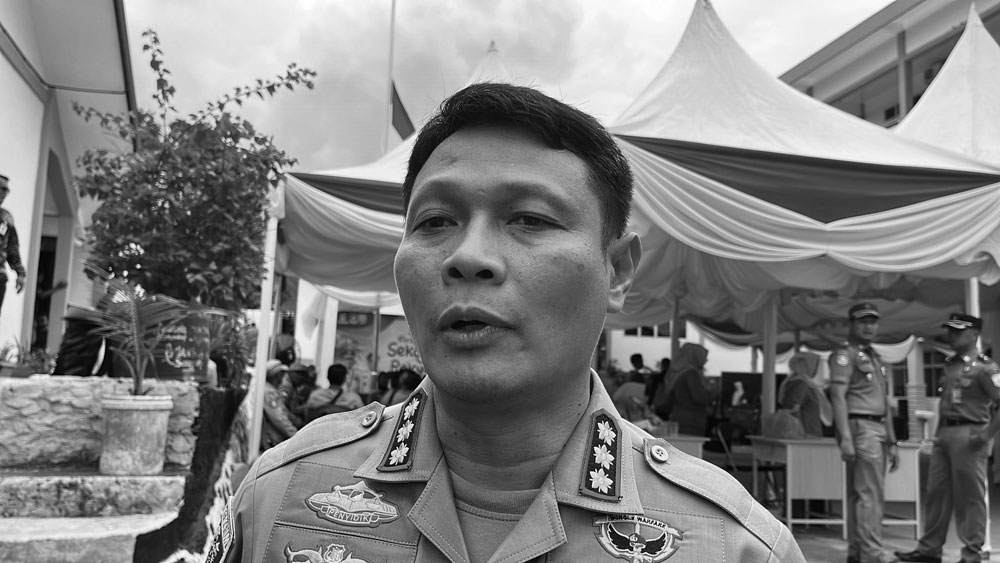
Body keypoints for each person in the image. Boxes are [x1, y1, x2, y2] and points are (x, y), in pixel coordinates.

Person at [209, 83, 804, 563]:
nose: (468, 256)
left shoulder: (730, 545)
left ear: (618, 271)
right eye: (435, 221)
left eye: (530, 219)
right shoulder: (278, 498)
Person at [895, 313, 1000, 563]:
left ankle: (971, 553)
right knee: (936, 493)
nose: (951, 335)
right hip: (944, 433)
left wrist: (986, 435)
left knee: (969, 496)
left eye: (957, 331)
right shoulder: (951, 365)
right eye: (950, 330)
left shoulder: (986, 368)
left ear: (973, 335)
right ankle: (929, 549)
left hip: (970, 433)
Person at [829, 302, 899, 563]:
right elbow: (837, 395)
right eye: (863, 321)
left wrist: (892, 440)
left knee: (861, 493)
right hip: (862, 427)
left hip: (875, 427)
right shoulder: (845, 355)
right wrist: (845, 437)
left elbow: (884, 402)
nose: (869, 326)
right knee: (869, 494)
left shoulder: (874, 357)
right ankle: (872, 553)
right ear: (851, 324)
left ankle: (858, 552)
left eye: (873, 321)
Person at [655, 342, 718, 435]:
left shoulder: (677, 372)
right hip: (692, 420)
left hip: (678, 415)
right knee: (691, 443)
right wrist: (715, 392)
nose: (705, 360)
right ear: (694, 356)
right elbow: (699, 397)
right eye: (703, 357)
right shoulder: (691, 374)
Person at [779, 351, 833, 437]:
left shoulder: (795, 382)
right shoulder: (801, 384)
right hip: (807, 432)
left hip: (805, 432)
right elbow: (794, 409)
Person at [0, 175, 26, 318]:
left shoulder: (6, 218)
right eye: (2, 189)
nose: (5, 193)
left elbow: (12, 248)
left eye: (7, 190)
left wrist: (20, 273)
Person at [260, 360, 298, 451]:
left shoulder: (269, 389)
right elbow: (278, 418)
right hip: (273, 443)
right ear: (277, 375)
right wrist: (296, 436)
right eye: (282, 374)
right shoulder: (269, 392)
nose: (283, 378)